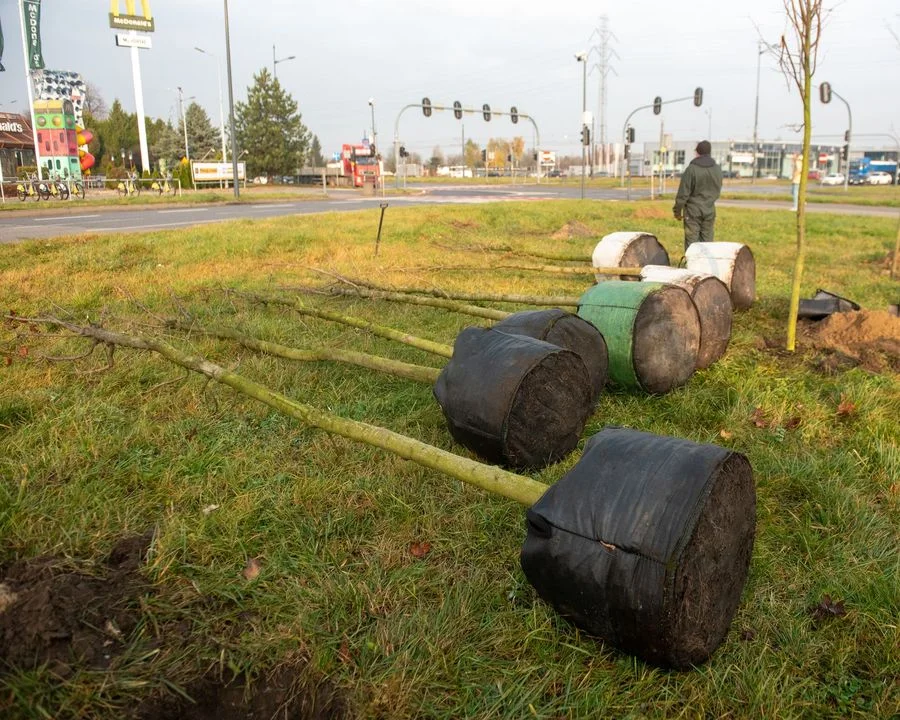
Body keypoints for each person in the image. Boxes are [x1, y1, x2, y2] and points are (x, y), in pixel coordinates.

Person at [673, 140, 723, 250]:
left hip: (692, 212)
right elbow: (718, 190)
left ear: (697, 152)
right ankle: (706, 265)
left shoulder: (691, 169)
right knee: (708, 243)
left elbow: (683, 194)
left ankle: (691, 265)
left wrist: (677, 211)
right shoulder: (717, 169)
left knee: (692, 244)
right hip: (709, 210)